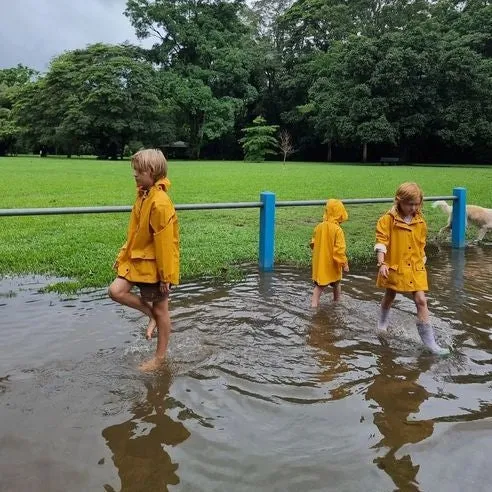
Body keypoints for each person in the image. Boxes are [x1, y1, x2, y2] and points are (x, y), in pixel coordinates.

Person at [108, 149, 179, 370]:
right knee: (116, 291)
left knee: (162, 310)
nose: (134, 175)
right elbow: (135, 233)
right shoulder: (143, 194)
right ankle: (151, 316)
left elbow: (166, 244)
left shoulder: (160, 202)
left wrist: (165, 276)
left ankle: (159, 358)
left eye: (138, 171)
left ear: (150, 172)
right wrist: (122, 257)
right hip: (137, 260)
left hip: (155, 266)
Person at [374, 182, 448, 355]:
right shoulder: (387, 220)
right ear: (399, 201)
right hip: (395, 266)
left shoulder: (420, 221)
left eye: (417, 204)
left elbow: (420, 243)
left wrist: (422, 259)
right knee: (390, 295)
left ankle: (430, 344)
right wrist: (382, 263)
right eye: (410, 204)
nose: (413, 208)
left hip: (415, 266)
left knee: (421, 300)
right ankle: (382, 324)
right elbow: (381, 242)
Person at [310, 199, 350, 307]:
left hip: (320, 264)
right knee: (335, 283)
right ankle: (336, 302)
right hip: (332, 264)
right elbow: (339, 250)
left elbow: (313, 243)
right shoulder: (338, 230)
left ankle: (314, 305)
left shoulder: (319, 227)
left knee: (320, 285)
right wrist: (344, 263)